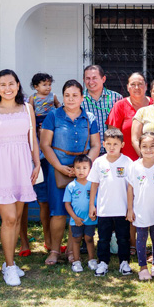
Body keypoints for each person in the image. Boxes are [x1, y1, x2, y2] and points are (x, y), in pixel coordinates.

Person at [0, 70, 40, 287]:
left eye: (11, 83)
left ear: (18, 85)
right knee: (10, 218)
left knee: (17, 218)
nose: (7, 88)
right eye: (2, 84)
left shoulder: (27, 108)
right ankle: (10, 267)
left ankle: (9, 262)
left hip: (22, 166)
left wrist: (37, 162)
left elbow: (32, 138)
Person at [39, 80, 101, 266]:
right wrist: (59, 166)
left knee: (79, 210)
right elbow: (45, 144)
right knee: (58, 212)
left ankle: (72, 250)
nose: (71, 99)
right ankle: (55, 251)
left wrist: (84, 166)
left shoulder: (89, 118)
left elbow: (96, 145)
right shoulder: (53, 116)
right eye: (67, 95)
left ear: (82, 98)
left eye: (75, 95)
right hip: (58, 169)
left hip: (83, 173)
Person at [87, 127, 132, 277]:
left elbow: (131, 187)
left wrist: (130, 208)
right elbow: (94, 184)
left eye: (115, 144)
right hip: (104, 210)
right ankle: (103, 263)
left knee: (123, 238)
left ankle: (124, 262)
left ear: (122, 145)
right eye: (109, 144)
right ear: (103, 144)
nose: (112, 147)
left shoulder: (127, 162)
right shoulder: (99, 162)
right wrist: (92, 205)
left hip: (122, 209)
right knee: (103, 239)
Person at [126, 132, 154, 281]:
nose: (148, 150)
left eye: (152, 146)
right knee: (141, 239)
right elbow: (130, 189)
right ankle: (142, 267)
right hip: (140, 210)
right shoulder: (134, 166)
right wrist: (130, 209)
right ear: (139, 147)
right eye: (144, 146)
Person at [63, 154, 97, 273]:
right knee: (76, 239)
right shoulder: (71, 186)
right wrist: (75, 218)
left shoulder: (93, 185)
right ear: (73, 169)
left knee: (89, 238)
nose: (81, 171)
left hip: (90, 219)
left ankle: (92, 260)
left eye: (84, 168)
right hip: (75, 220)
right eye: (78, 168)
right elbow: (67, 204)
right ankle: (76, 261)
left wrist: (95, 212)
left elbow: (98, 200)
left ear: (90, 169)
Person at [107, 72, 150, 162]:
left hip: (153, 161)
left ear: (146, 86)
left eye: (140, 84)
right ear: (127, 87)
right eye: (133, 84)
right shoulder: (120, 106)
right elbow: (112, 136)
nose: (136, 87)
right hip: (126, 162)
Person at [82, 64, 122, 155]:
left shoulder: (117, 98)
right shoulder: (79, 100)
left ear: (103, 79)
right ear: (84, 80)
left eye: (94, 78)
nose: (91, 82)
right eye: (87, 78)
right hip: (87, 154)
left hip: (112, 153)